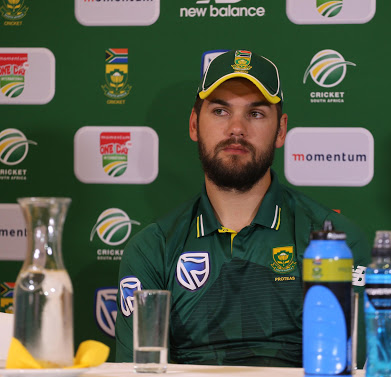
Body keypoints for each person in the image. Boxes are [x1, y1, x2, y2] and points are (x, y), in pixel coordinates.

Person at [115, 49, 371, 367]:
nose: (237, 128)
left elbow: (355, 368)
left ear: (280, 130)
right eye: (221, 111)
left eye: (256, 114)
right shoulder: (152, 248)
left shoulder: (336, 243)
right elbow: (137, 372)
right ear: (194, 124)